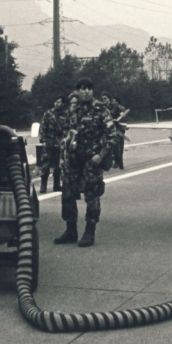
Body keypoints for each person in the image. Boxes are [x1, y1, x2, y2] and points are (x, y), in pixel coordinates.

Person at [54, 78, 113, 247]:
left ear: (92, 91)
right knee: (67, 194)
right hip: (73, 159)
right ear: (77, 91)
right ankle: (70, 230)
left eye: (88, 88)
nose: (85, 91)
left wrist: (100, 156)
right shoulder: (72, 110)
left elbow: (112, 135)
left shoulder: (101, 109)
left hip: (91, 160)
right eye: (82, 88)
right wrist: (63, 156)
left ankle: (89, 231)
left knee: (91, 195)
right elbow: (66, 133)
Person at [38, 96, 67, 193]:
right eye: (56, 101)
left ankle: (56, 185)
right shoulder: (48, 114)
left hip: (59, 142)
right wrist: (42, 138)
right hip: (49, 141)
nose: (57, 104)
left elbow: (66, 128)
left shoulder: (64, 115)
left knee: (58, 165)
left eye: (59, 102)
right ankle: (43, 185)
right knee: (45, 164)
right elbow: (43, 126)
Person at [103, 92, 129, 170]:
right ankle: (113, 162)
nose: (104, 100)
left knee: (118, 148)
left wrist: (120, 126)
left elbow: (122, 118)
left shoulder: (117, 107)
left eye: (105, 99)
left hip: (117, 130)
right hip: (108, 130)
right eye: (102, 99)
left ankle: (119, 163)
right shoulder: (102, 107)